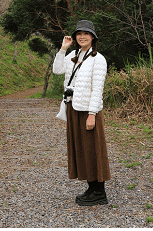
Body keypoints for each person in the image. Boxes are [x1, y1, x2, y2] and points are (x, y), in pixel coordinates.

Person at [52, 20, 110, 206]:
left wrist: (92, 114)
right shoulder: (73, 54)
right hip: (73, 108)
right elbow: (57, 69)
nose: (82, 36)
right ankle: (91, 188)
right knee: (81, 150)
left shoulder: (98, 59)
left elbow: (97, 89)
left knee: (93, 149)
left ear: (93, 37)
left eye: (86, 33)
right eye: (79, 33)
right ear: (75, 37)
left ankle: (100, 192)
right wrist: (63, 49)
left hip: (87, 110)